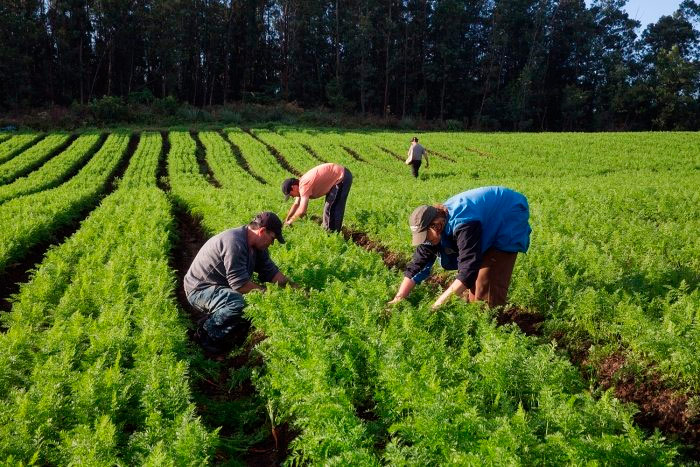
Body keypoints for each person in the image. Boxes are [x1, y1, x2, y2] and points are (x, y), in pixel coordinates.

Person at [388, 186, 531, 310]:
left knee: (486, 285)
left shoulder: (463, 225)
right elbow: (416, 266)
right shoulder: (435, 227)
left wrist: (436, 306)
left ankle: (487, 324)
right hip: (485, 218)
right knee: (475, 284)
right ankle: (475, 314)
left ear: (436, 226)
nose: (425, 241)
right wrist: (398, 298)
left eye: (425, 236)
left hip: (508, 214)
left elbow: (467, 270)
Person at [184, 212, 293, 354]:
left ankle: (222, 325)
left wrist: (295, 288)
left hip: (219, 287)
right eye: (272, 239)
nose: (271, 244)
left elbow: (272, 273)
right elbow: (240, 285)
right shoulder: (234, 242)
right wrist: (269, 294)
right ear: (261, 231)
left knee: (246, 302)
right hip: (199, 290)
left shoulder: (257, 247)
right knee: (237, 302)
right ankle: (206, 335)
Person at [281, 162, 353, 232]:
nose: (293, 197)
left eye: (291, 194)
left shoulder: (304, 185)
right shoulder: (300, 184)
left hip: (342, 177)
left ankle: (332, 234)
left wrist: (290, 221)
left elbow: (302, 211)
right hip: (338, 175)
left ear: (293, 187)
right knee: (329, 207)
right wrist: (287, 220)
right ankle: (328, 231)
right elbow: (296, 204)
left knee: (332, 208)